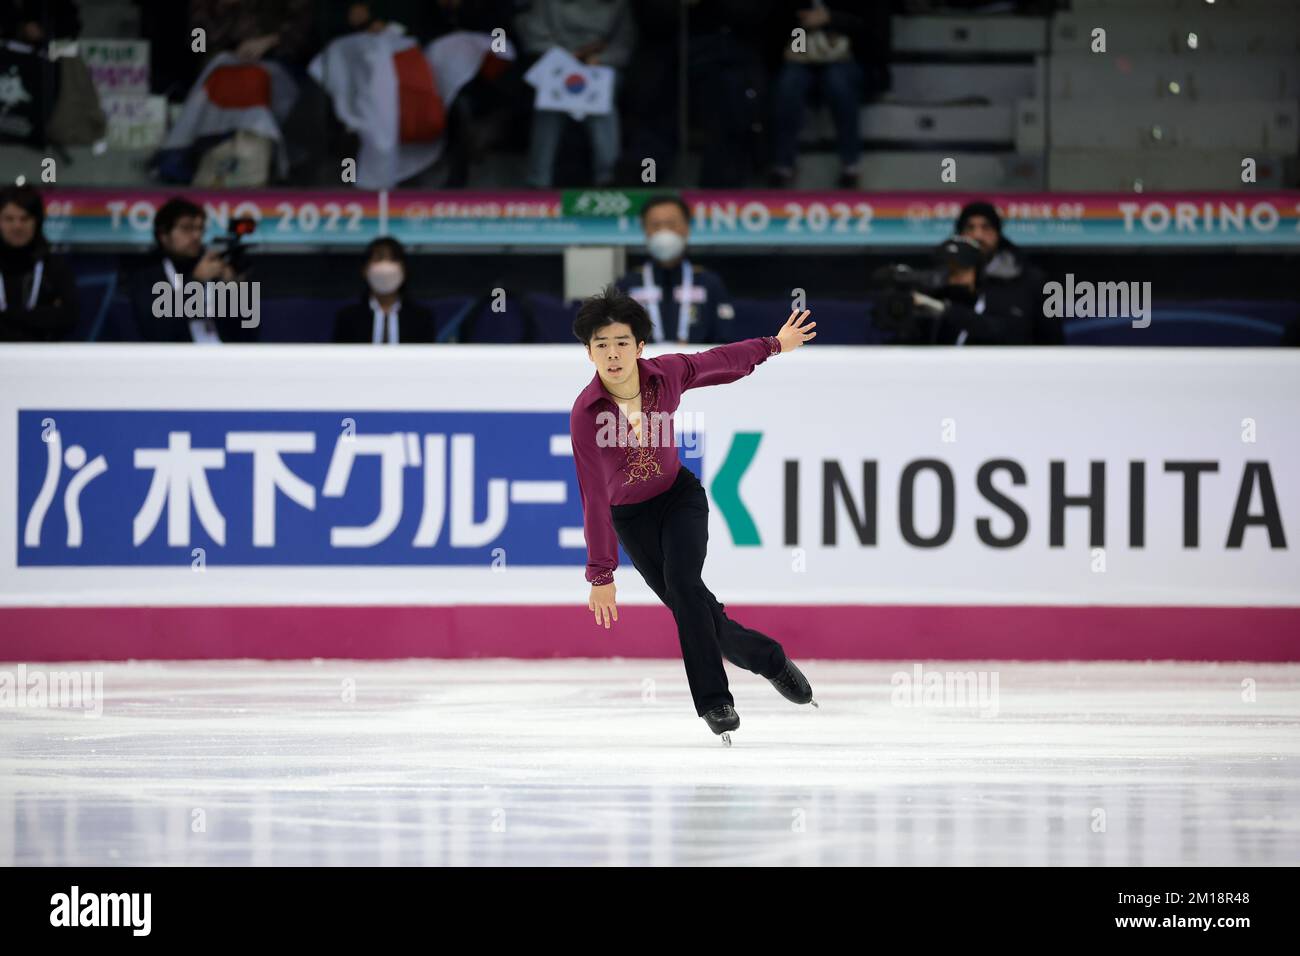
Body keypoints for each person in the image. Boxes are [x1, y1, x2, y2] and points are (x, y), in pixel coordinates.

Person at [569, 285, 818, 743]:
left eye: (622, 342)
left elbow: (719, 362)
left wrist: (774, 345)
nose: (613, 353)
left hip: (679, 498)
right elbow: (592, 494)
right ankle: (770, 659)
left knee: (685, 588)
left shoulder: (665, 375)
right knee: (699, 614)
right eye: (601, 345)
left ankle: (714, 703)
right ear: (589, 353)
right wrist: (600, 575)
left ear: (640, 347)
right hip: (632, 520)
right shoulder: (586, 414)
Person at [515, 0, 635, 187]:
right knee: (548, 105)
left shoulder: (618, 4)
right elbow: (533, 34)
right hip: (557, 65)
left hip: (599, 68)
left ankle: (608, 177)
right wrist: (567, 58)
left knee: (602, 103)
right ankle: (538, 180)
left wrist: (601, 59)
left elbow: (624, 44)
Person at [129, 196, 256, 343]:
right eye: (187, 228)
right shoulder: (146, 275)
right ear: (163, 235)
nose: (196, 236)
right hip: (177, 360)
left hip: (222, 356)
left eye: (200, 229)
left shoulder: (214, 267)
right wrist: (195, 282)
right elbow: (156, 332)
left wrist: (234, 291)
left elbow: (249, 333)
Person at [615, 195, 735, 344]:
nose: (664, 232)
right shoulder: (627, 284)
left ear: (686, 228)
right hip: (642, 365)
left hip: (699, 365)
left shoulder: (709, 283)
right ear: (645, 230)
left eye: (671, 224)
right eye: (656, 225)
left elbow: (725, 338)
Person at [955, 200, 1058, 344]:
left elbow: (1052, 338)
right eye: (969, 228)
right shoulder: (942, 280)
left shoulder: (1030, 281)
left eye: (986, 227)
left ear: (998, 234)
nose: (977, 235)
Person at [905, 234, 1037, 345]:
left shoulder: (998, 302)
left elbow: (1005, 332)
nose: (953, 279)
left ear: (978, 273)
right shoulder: (927, 304)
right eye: (948, 272)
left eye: (960, 271)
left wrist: (946, 310)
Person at [0, 184, 78, 342]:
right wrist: (39, 315)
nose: (17, 226)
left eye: (25, 218)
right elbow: (53, 317)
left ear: (37, 221)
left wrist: (7, 317)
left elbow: (69, 316)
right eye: (9, 219)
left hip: (43, 355)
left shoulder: (53, 264)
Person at [333, 237, 436, 343]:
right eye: (378, 258)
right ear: (365, 270)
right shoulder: (349, 318)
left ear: (404, 270)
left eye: (392, 259)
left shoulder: (420, 318)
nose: (385, 267)